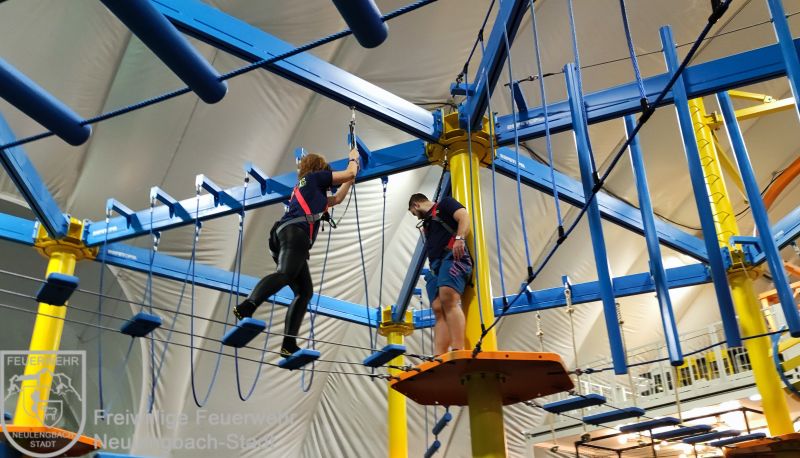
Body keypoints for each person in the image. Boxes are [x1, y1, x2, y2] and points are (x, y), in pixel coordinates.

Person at [235, 148, 360, 356]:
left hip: (285, 236)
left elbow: (337, 199)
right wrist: (354, 159)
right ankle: (248, 305)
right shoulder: (315, 178)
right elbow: (350, 173)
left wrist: (349, 181)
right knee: (285, 274)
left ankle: (288, 343)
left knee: (304, 291)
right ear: (319, 169)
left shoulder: (306, 189)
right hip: (296, 234)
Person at [408, 193, 473, 355]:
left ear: (416, 205)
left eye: (414, 213)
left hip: (452, 256)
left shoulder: (445, 204)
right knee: (437, 307)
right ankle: (440, 354)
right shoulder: (427, 224)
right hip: (436, 266)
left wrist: (459, 238)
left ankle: (458, 348)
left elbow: (464, 216)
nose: (416, 217)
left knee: (447, 298)